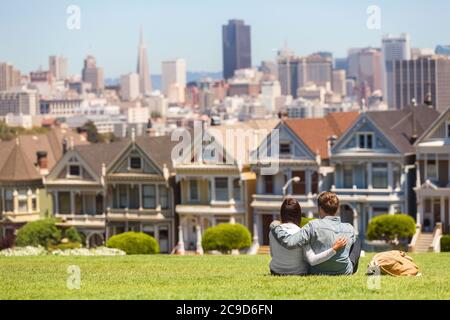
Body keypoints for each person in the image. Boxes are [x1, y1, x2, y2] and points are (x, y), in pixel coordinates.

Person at [271, 192, 361, 275]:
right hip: (344, 271)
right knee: (357, 240)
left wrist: (274, 227)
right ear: (337, 208)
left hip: (316, 271)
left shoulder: (312, 226)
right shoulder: (349, 228)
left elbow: (289, 242)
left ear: (320, 208)